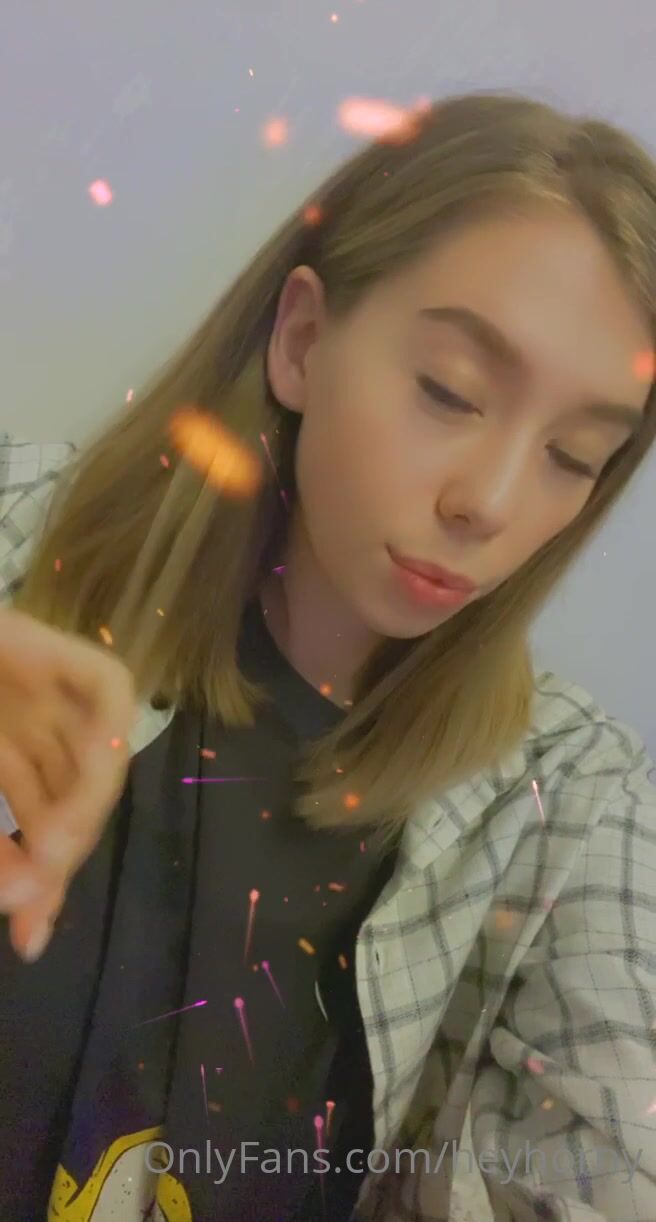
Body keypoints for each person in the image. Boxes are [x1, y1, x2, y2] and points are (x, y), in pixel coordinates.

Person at [0, 89, 655, 1222]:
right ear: (302, 340)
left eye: (572, 455)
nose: (491, 502)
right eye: (450, 392)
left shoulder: (574, 806)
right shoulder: (16, 538)